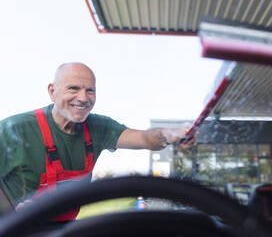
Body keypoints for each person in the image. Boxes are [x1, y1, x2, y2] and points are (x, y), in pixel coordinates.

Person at [0, 62, 197, 220]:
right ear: (52, 91)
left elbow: (145, 139)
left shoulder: (99, 127)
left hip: (64, 227)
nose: (83, 98)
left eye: (90, 91)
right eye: (73, 88)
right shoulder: (14, 129)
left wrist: (169, 134)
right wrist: (13, 211)